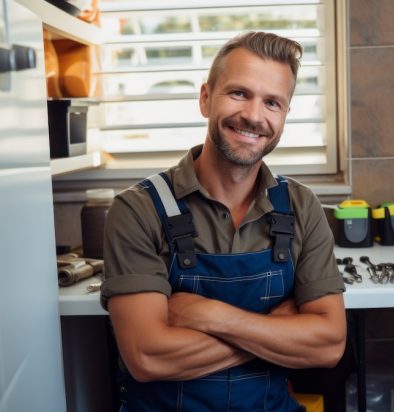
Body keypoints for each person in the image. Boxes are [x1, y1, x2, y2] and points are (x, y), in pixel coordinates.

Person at [100, 31, 347, 411]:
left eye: (272, 103)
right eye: (239, 93)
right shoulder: (137, 210)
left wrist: (210, 315)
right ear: (205, 99)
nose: (253, 116)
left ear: (284, 115)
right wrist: (275, 329)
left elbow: (329, 344)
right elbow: (147, 357)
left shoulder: (301, 206)